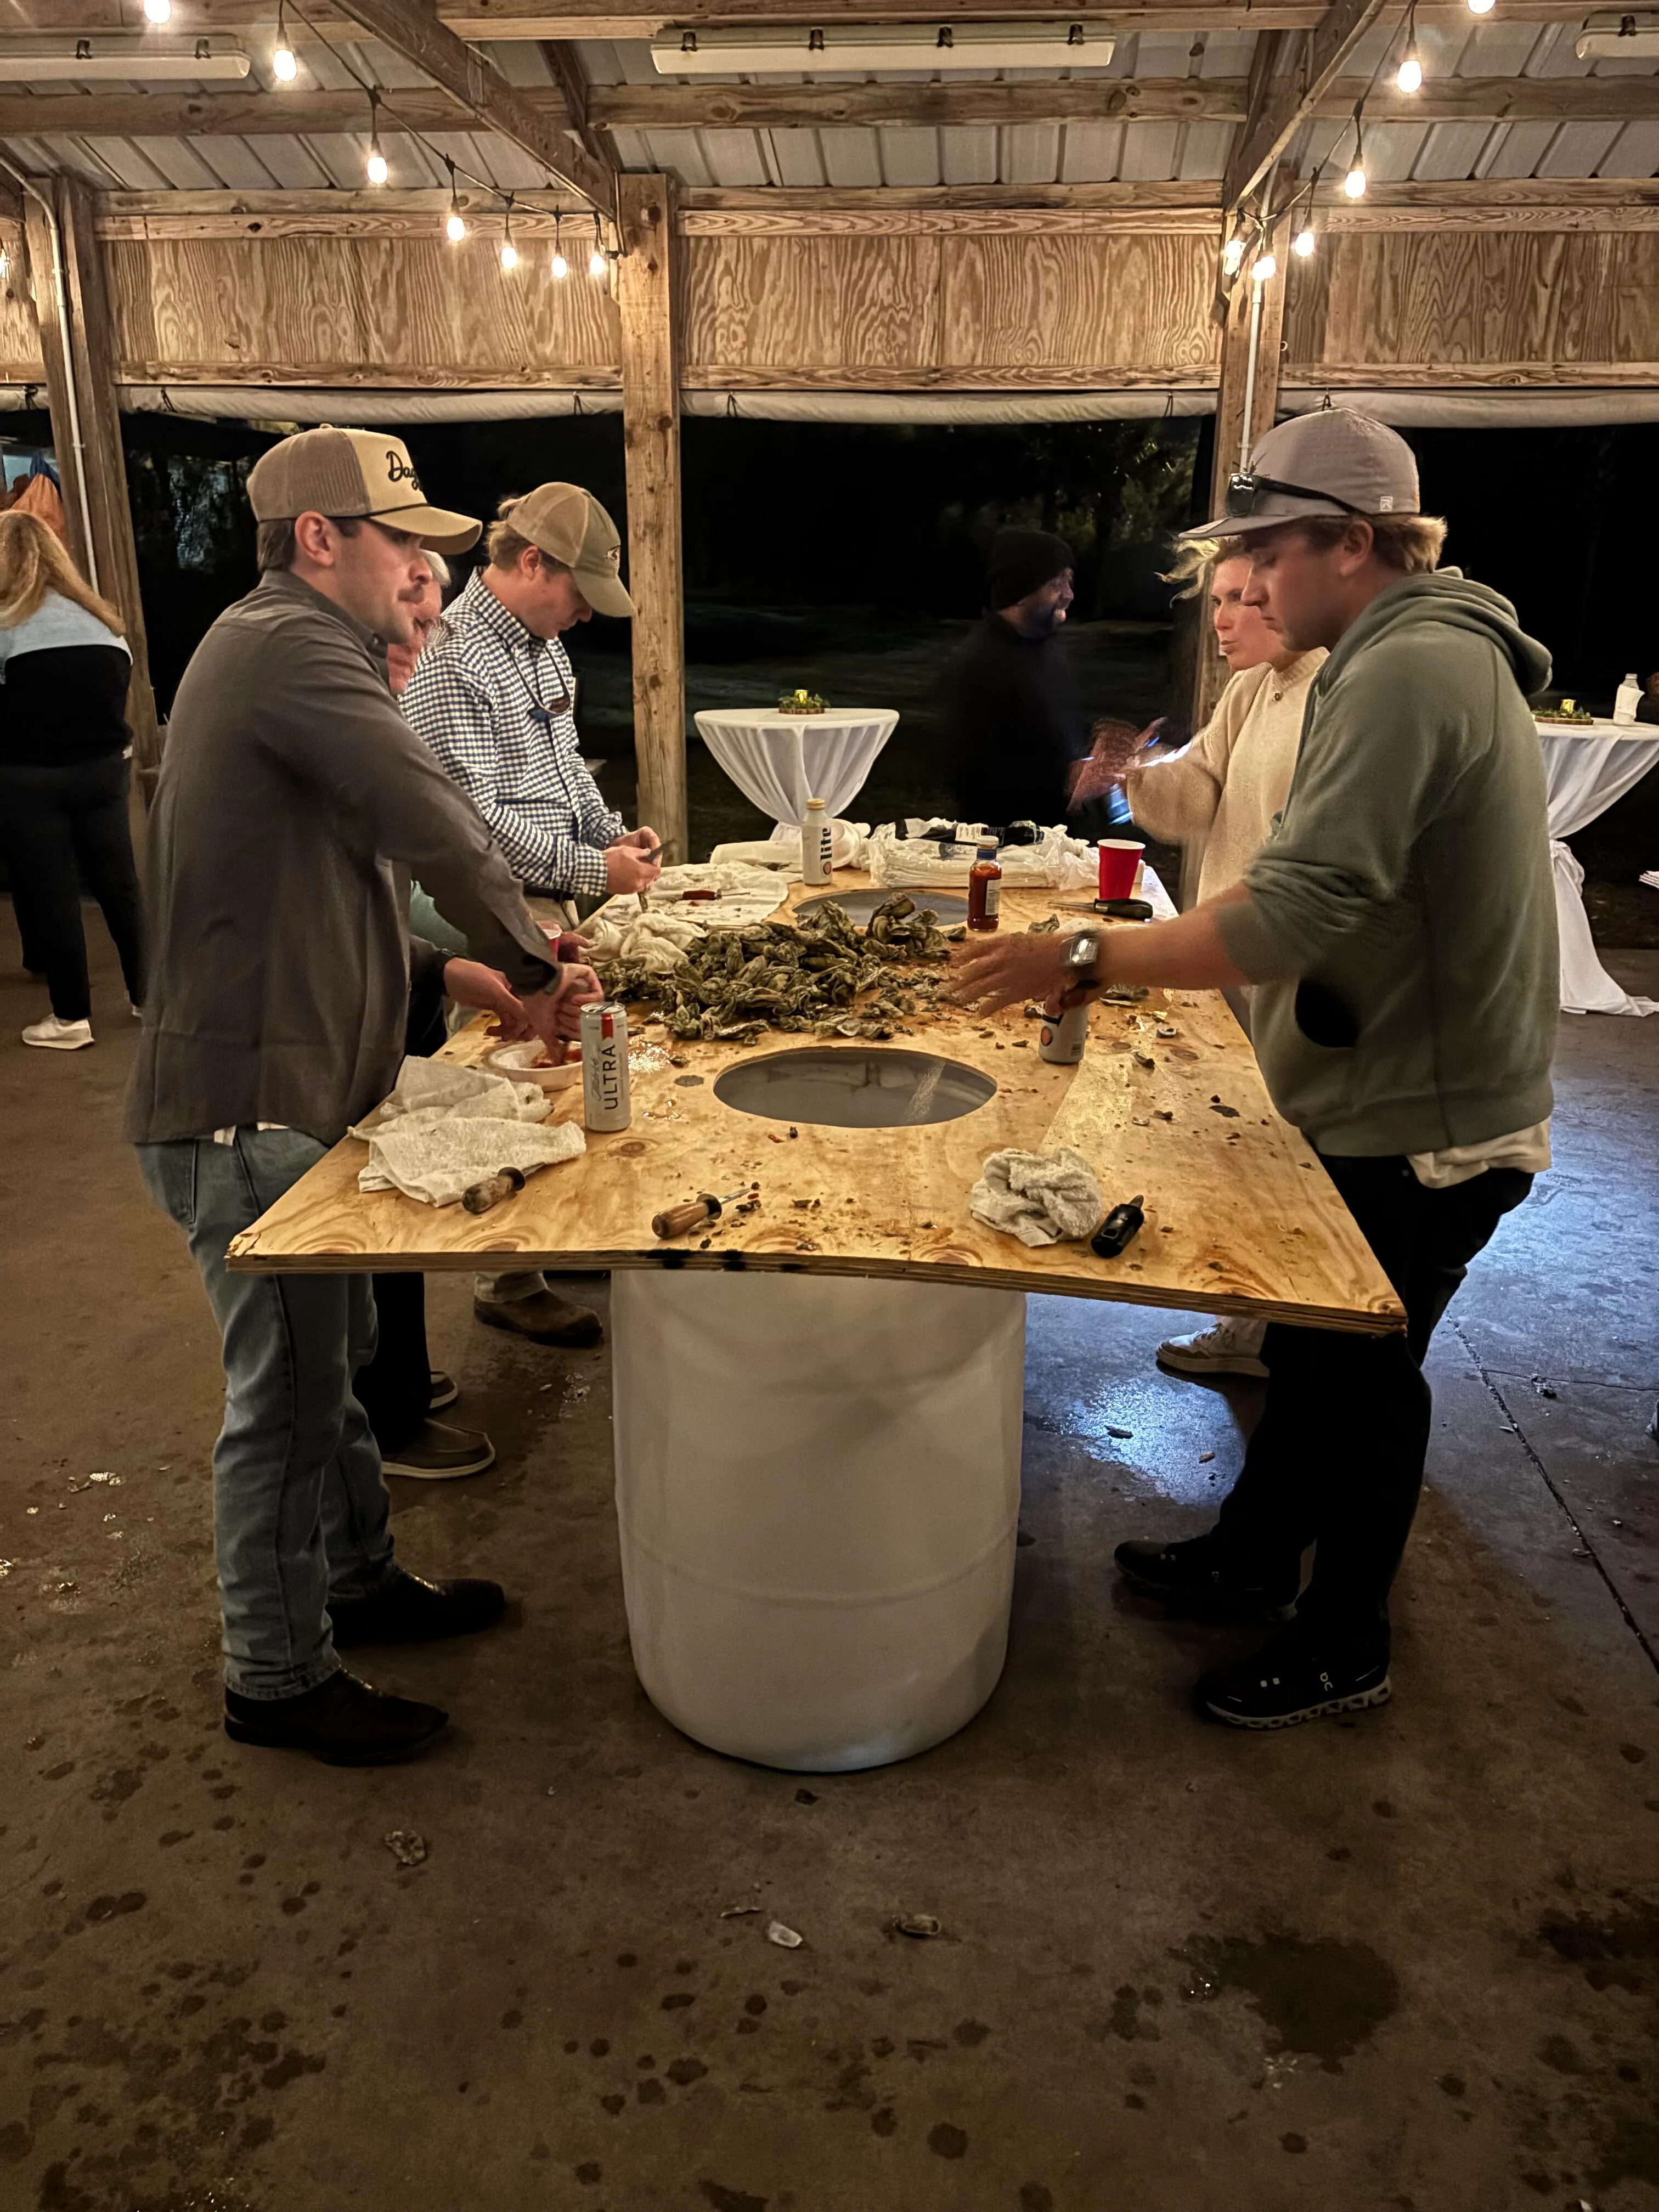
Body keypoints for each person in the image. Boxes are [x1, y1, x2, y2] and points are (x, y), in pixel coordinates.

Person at [948, 409, 1557, 1731]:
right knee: (1312, 1349)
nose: (1251, 586)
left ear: (1353, 540)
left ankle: (1346, 1639)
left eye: (1266, 553)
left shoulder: (1412, 669)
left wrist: (1090, 953)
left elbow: (1296, 911)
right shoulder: (1385, 654)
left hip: (1431, 1115)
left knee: (1362, 1380)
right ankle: (1249, 1556)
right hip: (1378, 1082)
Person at [127, 425, 602, 1767]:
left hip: (286, 1099)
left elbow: (316, 895)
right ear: (320, 538)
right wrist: (536, 952)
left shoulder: (278, 654)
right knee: (281, 1406)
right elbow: (427, 813)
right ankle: (274, 1679)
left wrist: (457, 966)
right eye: (403, 542)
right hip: (239, 1108)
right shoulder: (292, 644)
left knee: (327, 1380)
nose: (424, 572)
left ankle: (357, 1583)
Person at [402, 482, 654, 1349]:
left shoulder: (542, 649)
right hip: (478, 898)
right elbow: (469, 823)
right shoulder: (453, 658)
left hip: (548, 884)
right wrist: (597, 868)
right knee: (509, 1073)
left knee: (562, 1061)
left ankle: (550, 1223)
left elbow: (565, 770)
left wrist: (611, 833)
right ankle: (506, 1270)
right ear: (530, 561)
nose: (585, 612)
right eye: (578, 591)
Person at [1116, 548, 1328, 1384]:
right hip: (1233, 959)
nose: (1225, 619)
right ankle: (1251, 1320)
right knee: (1247, 1144)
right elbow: (1198, 787)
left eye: (1242, 598)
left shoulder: (1337, 690)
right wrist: (1134, 776)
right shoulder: (1251, 688)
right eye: (1218, 602)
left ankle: (1281, 1328)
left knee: (1290, 1156)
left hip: (1283, 964)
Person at [0, 511, 145, 1049]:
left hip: (27, 780)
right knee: (121, 887)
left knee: (53, 892)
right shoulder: (101, 621)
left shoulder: (5, 623)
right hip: (105, 772)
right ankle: (149, 998)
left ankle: (70, 1019)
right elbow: (121, 697)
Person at [943, 528, 1088, 832]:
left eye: (1069, 581)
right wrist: (1068, 781)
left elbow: (1056, 741)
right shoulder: (979, 664)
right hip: (1004, 853)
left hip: (1057, 845)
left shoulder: (1050, 654)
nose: (1069, 595)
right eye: (1056, 583)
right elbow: (969, 779)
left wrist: (1094, 766)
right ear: (1020, 592)